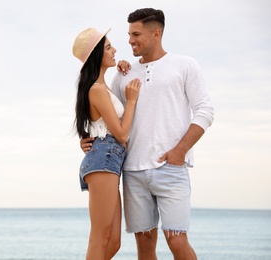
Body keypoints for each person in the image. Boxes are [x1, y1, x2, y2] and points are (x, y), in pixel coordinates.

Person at [80, 8, 214, 260]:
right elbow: (110, 117)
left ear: (156, 33)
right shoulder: (123, 74)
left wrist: (180, 151)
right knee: (144, 246)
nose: (129, 40)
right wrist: (89, 137)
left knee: (177, 242)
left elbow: (205, 110)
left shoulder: (184, 65)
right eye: (129, 34)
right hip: (133, 172)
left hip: (171, 168)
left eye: (136, 34)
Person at [72, 27, 141, 259]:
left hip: (109, 161)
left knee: (113, 243)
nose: (115, 50)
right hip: (104, 159)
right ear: (96, 55)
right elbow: (121, 134)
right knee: (100, 238)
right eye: (109, 47)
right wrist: (131, 101)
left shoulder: (104, 87)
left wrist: (122, 67)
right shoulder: (97, 89)